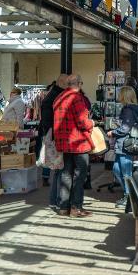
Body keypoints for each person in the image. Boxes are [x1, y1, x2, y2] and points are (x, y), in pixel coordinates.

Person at [53, 74, 94, 218]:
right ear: (79, 83)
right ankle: (76, 208)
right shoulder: (77, 98)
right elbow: (83, 122)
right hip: (78, 143)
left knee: (66, 174)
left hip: (64, 143)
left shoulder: (59, 97)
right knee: (80, 175)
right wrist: (92, 123)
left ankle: (64, 207)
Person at [109, 86, 138, 208]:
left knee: (125, 171)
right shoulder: (130, 109)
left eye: (120, 94)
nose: (118, 96)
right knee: (117, 169)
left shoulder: (128, 110)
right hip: (125, 143)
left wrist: (113, 132)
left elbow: (125, 128)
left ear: (124, 96)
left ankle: (129, 197)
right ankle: (128, 194)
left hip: (125, 144)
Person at [41, 75, 68, 197]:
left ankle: (54, 198)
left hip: (51, 133)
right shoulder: (58, 96)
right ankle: (57, 199)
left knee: (58, 168)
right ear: (63, 83)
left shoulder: (52, 95)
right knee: (60, 169)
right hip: (56, 134)